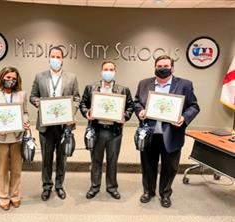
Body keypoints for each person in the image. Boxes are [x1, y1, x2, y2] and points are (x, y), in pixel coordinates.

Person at [134, 55, 200, 208]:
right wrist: (141, 111)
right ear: (155, 67)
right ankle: (148, 191)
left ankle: (165, 193)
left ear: (172, 68)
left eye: (165, 66)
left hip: (172, 134)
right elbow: (137, 102)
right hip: (149, 133)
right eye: (159, 66)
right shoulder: (144, 83)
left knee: (169, 167)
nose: (162, 69)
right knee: (147, 165)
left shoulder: (185, 84)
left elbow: (194, 106)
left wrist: (184, 117)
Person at [30, 46, 80, 201]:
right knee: (46, 159)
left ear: (62, 59)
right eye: (53, 56)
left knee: (61, 158)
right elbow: (32, 96)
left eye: (58, 57)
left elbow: (77, 99)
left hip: (64, 126)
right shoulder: (40, 77)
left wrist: (71, 112)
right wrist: (37, 102)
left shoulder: (71, 77)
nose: (55, 59)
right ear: (49, 58)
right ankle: (46, 186)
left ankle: (59, 185)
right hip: (45, 126)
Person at [80, 61, 133, 200]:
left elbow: (130, 107)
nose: (108, 72)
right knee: (96, 160)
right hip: (97, 130)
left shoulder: (123, 90)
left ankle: (112, 187)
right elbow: (83, 104)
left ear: (115, 71)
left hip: (114, 132)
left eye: (111, 69)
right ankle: (94, 186)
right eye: (105, 69)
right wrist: (86, 112)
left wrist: (125, 116)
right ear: (101, 71)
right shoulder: (91, 88)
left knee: (112, 160)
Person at [0, 66, 30, 210]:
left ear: (17, 81)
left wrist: (25, 121)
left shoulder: (22, 94)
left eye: (14, 79)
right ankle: (3, 196)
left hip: (17, 138)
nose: (11, 80)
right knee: (2, 170)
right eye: (8, 77)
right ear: (2, 77)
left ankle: (15, 195)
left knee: (16, 170)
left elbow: (25, 112)